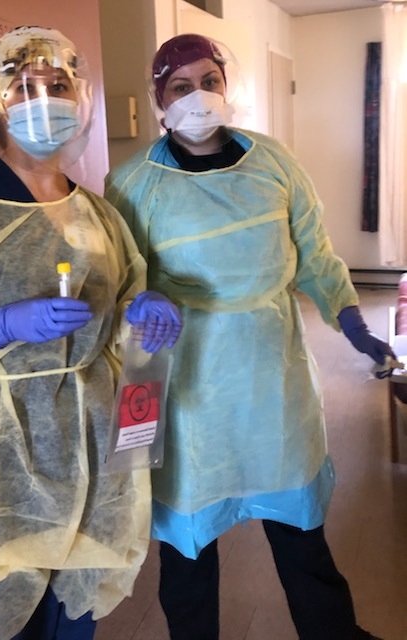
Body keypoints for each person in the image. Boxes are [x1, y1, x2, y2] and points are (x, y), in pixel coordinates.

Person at [0, 26, 181, 640]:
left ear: (81, 98)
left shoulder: (99, 213)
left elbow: (125, 300)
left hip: (89, 445)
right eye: (23, 88)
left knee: (74, 611)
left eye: (57, 86)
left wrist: (143, 310)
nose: (44, 101)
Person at [104, 33, 392, 640]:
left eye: (209, 81)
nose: (198, 97)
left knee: (300, 536)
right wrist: (138, 299)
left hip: (269, 374)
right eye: (181, 87)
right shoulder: (133, 184)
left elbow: (314, 249)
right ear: (160, 100)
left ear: (226, 88)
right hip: (184, 384)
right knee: (187, 549)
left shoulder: (274, 162)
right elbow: (117, 278)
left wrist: (349, 317)